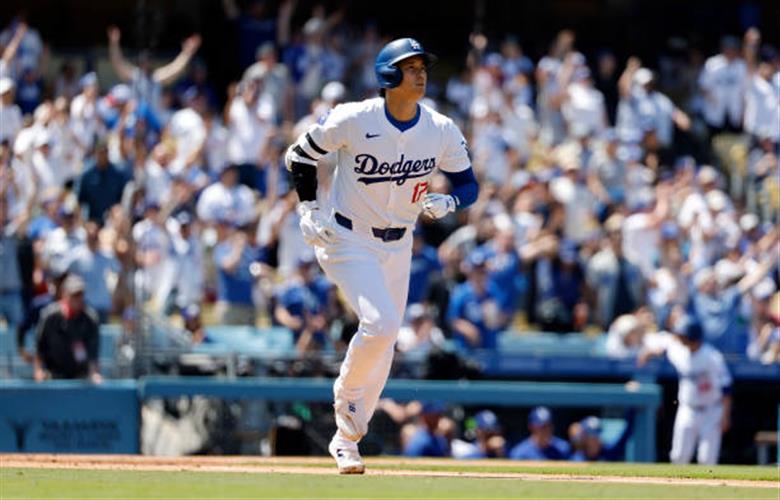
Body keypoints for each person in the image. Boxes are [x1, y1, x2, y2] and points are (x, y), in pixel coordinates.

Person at [284, 37, 478, 474]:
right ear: (389, 75)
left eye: (422, 65)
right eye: (410, 66)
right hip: (348, 238)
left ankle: (347, 439)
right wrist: (309, 207)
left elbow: (469, 185)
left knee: (387, 341)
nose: (421, 72)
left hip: (399, 243)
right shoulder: (354, 118)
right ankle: (344, 405)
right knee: (383, 323)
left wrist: (451, 204)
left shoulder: (440, 128)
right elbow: (299, 156)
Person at [638, 319, 732, 465]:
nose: (680, 338)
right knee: (678, 456)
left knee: (707, 459)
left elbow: (726, 388)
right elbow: (664, 341)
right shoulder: (679, 350)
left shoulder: (712, 358)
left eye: (683, 335)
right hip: (687, 409)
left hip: (711, 411)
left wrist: (725, 415)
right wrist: (649, 351)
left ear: (693, 337)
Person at [34, 274, 101, 382]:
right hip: (53, 375)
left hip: (80, 377)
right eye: (75, 295)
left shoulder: (90, 319)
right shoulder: (49, 316)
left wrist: (94, 373)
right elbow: (39, 347)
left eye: (81, 294)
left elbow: (93, 352)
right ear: (65, 295)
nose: (79, 298)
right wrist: (38, 371)